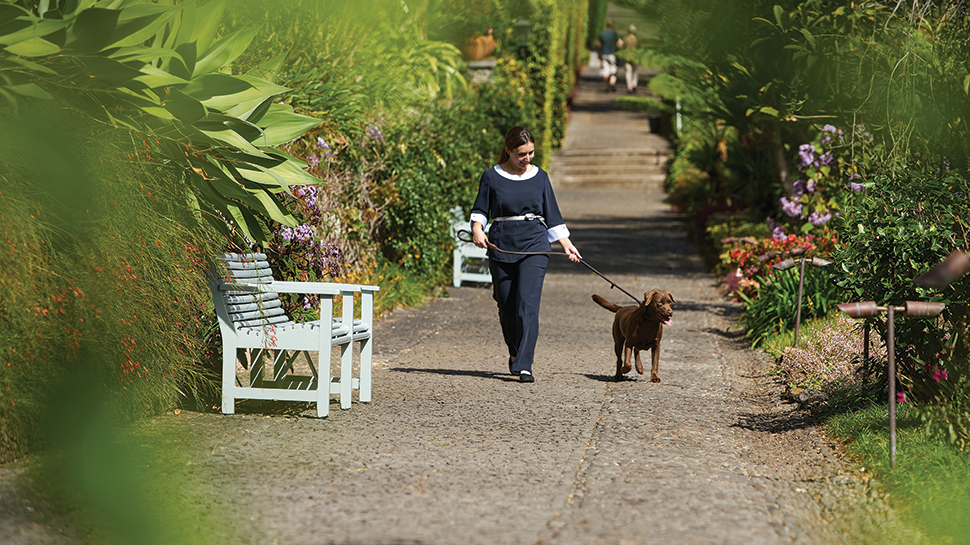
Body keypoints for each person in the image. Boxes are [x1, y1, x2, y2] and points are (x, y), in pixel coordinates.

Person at [470, 127, 582, 383]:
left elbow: (552, 214)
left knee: (527, 304)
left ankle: (524, 364)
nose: (527, 158)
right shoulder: (491, 176)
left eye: (531, 152)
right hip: (501, 245)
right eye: (521, 154)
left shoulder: (540, 177)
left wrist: (566, 244)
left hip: (535, 244)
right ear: (508, 150)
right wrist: (477, 230)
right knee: (506, 304)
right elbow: (479, 210)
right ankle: (514, 352)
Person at [597, 19, 622, 92]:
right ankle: (612, 82)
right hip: (612, 54)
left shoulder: (602, 33)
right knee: (613, 70)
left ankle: (607, 87)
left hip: (604, 54)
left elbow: (599, 45)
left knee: (605, 71)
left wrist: (599, 53)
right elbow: (620, 43)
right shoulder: (614, 34)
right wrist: (618, 49)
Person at [623, 24, 639, 93]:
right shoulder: (636, 39)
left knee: (628, 71)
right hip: (635, 57)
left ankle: (629, 87)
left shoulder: (625, 39)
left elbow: (623, 47)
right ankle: (634, 83)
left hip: (627, 57)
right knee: (635, 71)